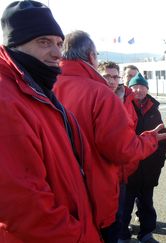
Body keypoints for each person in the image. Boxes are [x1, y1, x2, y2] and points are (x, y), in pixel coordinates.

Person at [53, 30, 166, 243]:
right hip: (94, 193)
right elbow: (123, 149)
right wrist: (150, 139)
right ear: (91, 57)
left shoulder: (45, 87)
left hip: (57, 197)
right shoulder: (99, 94)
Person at [0, 1, 100, 242]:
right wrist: (80, 236)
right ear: (15, 45)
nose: (57, 53)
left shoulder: (35, 89)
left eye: (58, 43)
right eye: (44, 42)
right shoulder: (6, 99)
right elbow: (26, 208)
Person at [117, 73, 166, 243]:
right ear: (129, 89)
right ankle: (122, 235)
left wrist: (158, 164)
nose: (138, 90)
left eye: (142, 86)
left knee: (146, 204)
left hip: (148, 167)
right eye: (134, 86)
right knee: (124, 205)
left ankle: (146, 234)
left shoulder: (154, 109)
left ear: (147, 89)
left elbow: (160, 139)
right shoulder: (124, 106)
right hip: (129, 166)